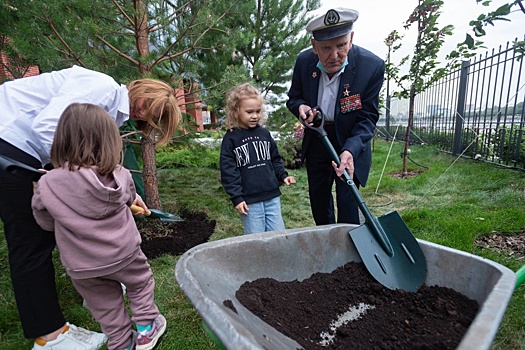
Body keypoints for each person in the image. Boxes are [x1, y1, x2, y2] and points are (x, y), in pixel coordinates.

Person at [0, 65, 180, 350]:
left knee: (42, 232)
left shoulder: (112, 114)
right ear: (141, 89)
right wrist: (68, 183)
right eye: (148, 105)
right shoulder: (103, 89)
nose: (143, 115)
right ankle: (50, 336)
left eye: (152, 117)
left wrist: (61, 186)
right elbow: (48, 127)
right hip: (9, 141)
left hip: (28, 151)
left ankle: (117, 338)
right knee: (31, 242)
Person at [31, 103, 167, 350]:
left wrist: (43, 190)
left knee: (105, 305)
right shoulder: (121, 175)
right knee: (140, 283)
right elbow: (127, 199)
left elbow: (46, 223)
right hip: (124, 253)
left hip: (82, 266)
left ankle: (121, 342)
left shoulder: (47, 184)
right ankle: (147, 328)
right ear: (109, 142)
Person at [286, 7, 385, 225]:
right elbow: (294, 98)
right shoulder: (303, 62)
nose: (334, 56)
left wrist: (350, 150)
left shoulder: (371, 66)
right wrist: (301, 108)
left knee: (349, 205)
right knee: (320, 204)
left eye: (341, 46)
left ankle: (349, 253)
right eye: (326, 48)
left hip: (350, 140)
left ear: (351, 39)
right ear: (314, 46)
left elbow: (367, 117)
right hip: (317, 138)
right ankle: (327, 249)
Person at [220, 83, 296, 235]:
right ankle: (258, 260)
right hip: (249, 201)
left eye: (258, 111)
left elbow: (275, 158)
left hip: (272, 196)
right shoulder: (231, 139)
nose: (255, 116)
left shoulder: (264, 134)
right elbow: (229, 171)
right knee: (256, 239)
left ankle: (276, 259)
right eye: (249, 112)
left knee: (278, 235)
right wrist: (237, 197)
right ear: (236, 110)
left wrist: (283, 176)